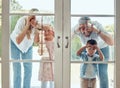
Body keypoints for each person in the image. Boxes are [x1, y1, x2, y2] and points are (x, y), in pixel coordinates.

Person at [73, 16, 114, 88]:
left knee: (102, 73)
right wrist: (75, 31)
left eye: (87, 28)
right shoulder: (78, 27)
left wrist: (96, 30)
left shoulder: (97, 25)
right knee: (86, 70)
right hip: (88, 49)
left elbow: (111, 42)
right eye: (83, 28)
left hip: (102, 48)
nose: (85, 31)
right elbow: (65, 40)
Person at [10, 9, 39, 88]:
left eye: (36, 18)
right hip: (15, 44)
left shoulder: (37, 24)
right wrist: (27, 25)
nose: (34, 20)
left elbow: (36, 42)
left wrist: (36, 29)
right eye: (32, 18)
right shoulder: (21, 21)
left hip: (27, 46)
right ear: (29, 17)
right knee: (17, 69)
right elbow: (18, 40)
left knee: (28, 69)